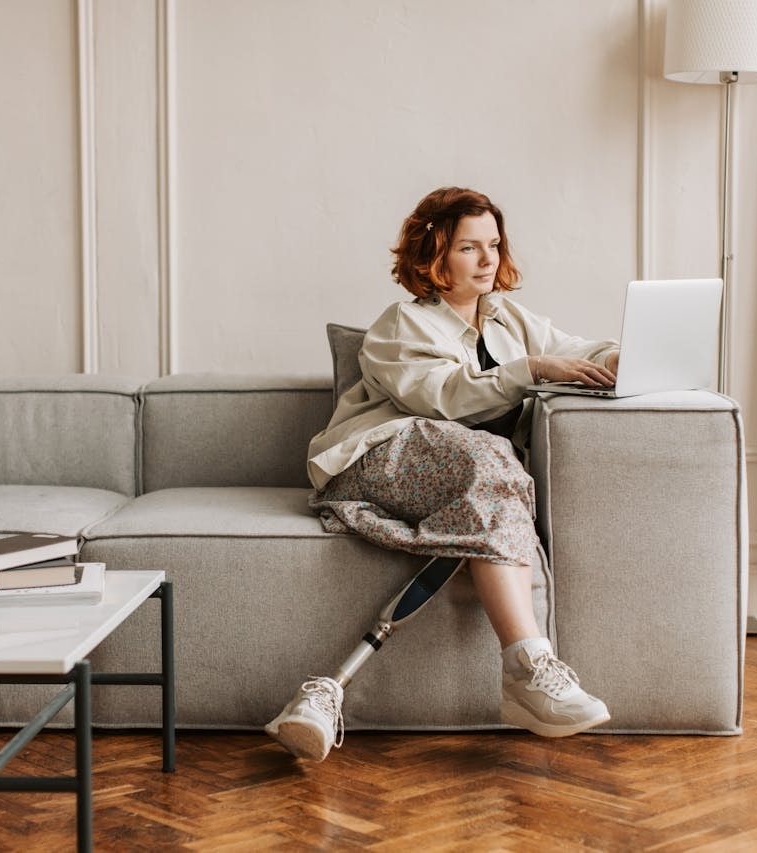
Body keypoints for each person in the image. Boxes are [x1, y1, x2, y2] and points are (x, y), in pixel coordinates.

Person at [265, 187, 620, 762]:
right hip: (379, 460)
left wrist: (617, 359)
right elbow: (443, 399)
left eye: (494, 245)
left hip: (474, 474)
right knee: (491, 463)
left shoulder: (508, 319)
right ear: (435, 254)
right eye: (468, 247)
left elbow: (577, 349)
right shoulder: (401, 324)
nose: (487, 260)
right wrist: (529, 369)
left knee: (494, 481)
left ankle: (335, 692)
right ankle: (529, 666)